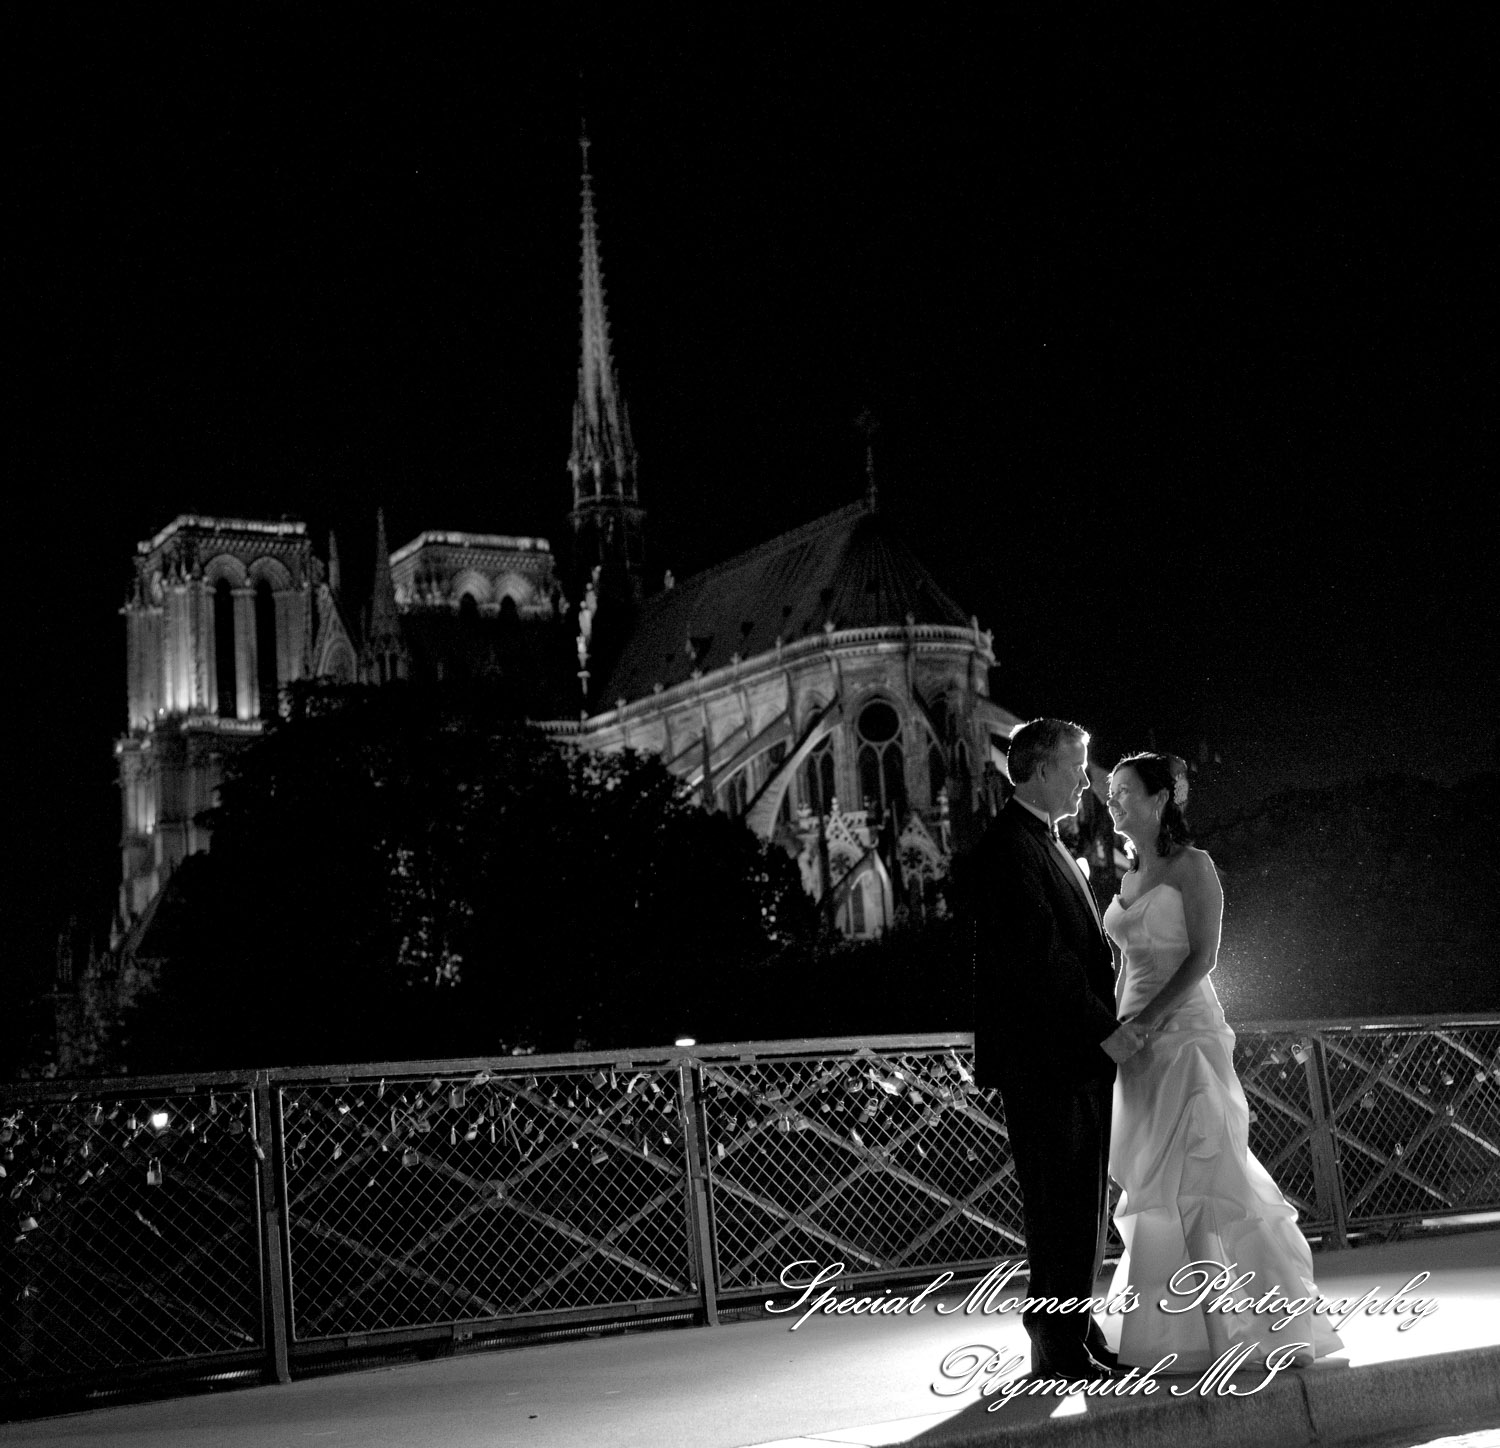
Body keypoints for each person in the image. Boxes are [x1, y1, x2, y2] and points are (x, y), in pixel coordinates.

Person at [1101, 751, 1343, 1371]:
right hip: (1135, 1046)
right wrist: (1115, 1028)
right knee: (1158, 1186)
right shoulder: (1125, 879)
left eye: (1124, 791)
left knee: (1207, 1182)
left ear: (1159, 800)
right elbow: (1123, 964)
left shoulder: (1194, 867)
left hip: (1184, 1037)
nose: (1111, 799)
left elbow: (1203, 957)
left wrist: (1150, 1023)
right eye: (1111, 791)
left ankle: (1236, 1336)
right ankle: (1179, 1337)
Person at [969, 718, 1148, 1381]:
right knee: (1058, 1203)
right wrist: (1107, 1027)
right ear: (1043, 770)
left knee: (1078, 1203)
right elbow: (1042, 958)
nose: (1085, 779)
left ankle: (1073, 1329)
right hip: (1047, 1057)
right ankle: (1055, 1342)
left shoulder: (1041, 842)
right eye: (1077, 765)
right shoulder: (1007, 847)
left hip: (1067, 1054)